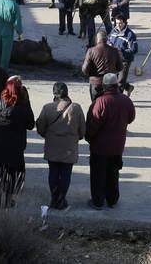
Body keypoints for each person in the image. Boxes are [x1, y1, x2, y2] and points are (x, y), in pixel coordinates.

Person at [85, 73, 135, 210]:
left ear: (104, 86)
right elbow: (131, 118)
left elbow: (92, 124)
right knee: (113, 173)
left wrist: (88, 137)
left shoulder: (100, 102)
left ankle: (98, 201)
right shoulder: (126, 100)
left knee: (98, 175)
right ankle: (112, 200)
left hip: (100, 147)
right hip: (117, 146)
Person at [0, 76, 35, 208]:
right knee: (12, 172)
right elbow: (31, 124)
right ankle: (8, 200)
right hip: (16, 145)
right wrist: (27, 102)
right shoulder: (24, 106)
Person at [36, 82, 85, 210]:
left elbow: (40, 128)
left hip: (52, 146)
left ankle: (54, 199)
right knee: (65, 174)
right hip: (69, 148)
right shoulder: (76, 108)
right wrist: (74, 138)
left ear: (54, 93)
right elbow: (82, 131)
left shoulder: (47, 108)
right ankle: (61, 200)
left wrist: (48, 136)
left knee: (53, 172)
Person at [82, 31, 124, 102]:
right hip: (110, 83)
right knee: (111, 104)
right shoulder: (114, 51)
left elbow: (85, 70)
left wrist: (91, 74)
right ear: (106, 39)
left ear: (97, 39)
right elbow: (120, 67)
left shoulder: (91, 51)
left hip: (96, 82)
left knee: (96, 104)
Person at [107, 16, 138, 95]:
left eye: (120, 23)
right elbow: (109, 41)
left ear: (125, 23)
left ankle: (119, 98)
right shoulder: (113, 31)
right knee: (114, 78)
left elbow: (134, 50)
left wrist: (122, 51)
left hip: (125, 60)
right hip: (114, 59)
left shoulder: (130, 35)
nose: (118, 25)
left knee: (120, 80)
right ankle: (128, 87)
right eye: (117, 23)